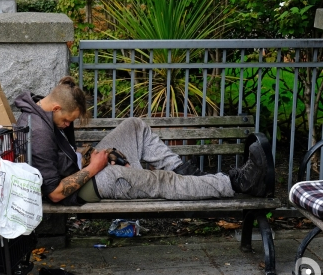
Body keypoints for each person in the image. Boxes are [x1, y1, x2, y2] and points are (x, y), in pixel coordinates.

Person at [15, 76, 268, 206]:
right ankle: (239, 183)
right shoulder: (38, 132)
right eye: (68, 121)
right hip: (86, 187)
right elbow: (55, 193)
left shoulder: (43, 111)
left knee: (134, 126)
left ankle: (193, 176)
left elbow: (63, 155)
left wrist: (89, 155)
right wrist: (95, 166)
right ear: (56, 107)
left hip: (85, 168)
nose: (69, 125)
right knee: (162, 181)